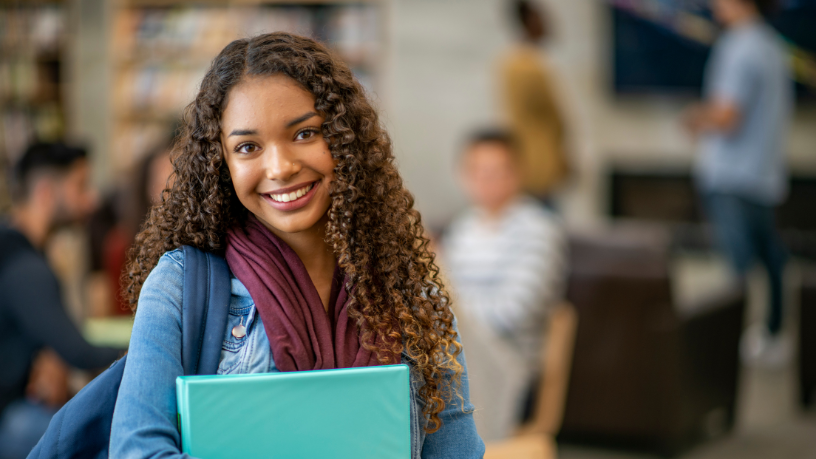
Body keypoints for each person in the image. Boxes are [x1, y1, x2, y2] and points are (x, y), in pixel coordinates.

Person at [110, 32, 484, 458]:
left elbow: (456, 452)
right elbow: (137, 450)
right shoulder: (179, 286)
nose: (280, 167)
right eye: (248, 147)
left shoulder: (408, 292)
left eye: (304, 134)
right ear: (222, 164)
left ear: (344, 139)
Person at [683, 0, 793, 366]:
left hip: (731, 174)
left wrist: (694, 118)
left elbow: (727, 115)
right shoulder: (772, 45)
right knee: (771, 258)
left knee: (738, 269)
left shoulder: (737, 45)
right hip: (763, 172)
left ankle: (731, 346)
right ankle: (774, 334)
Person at [0, 143, 123, 458]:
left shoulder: (15, 250)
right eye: (80, 186)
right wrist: (148, 348)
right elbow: (79, 352)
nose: (91, 199)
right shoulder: (25, 267)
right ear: (45, 191)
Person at [441, 130, 566, 440]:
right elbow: (442, 296)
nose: (487, 180)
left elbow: (514, 312)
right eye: (478, 171)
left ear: (518, 173)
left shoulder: (538, 229)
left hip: (508, 360)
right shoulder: (463, 228)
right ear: (463, 175)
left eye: (497, 171)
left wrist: (455, 318)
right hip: (458, 349)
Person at [498, 0, 569, 200]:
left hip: (532, 161)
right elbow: (550, 117)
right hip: (538, 164)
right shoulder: (527, 66)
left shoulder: (515, 62)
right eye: (540, 18)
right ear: (529, 22)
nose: (547, 24)